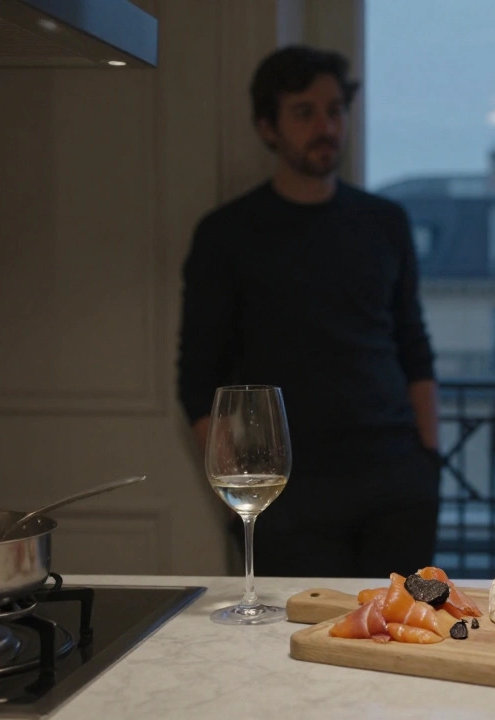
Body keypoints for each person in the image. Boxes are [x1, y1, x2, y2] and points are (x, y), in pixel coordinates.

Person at [176, 46, 442, 578]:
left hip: (396, 483)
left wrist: (428, 462)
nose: (326, 126)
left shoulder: (384, 221)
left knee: (404, 645)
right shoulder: (226, 234)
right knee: (294, 648)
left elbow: (414, 347)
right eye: (304, 112)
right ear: (268, 127)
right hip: (289, 494)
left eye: (335, 110)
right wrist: (240, 497)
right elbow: (198, 377)